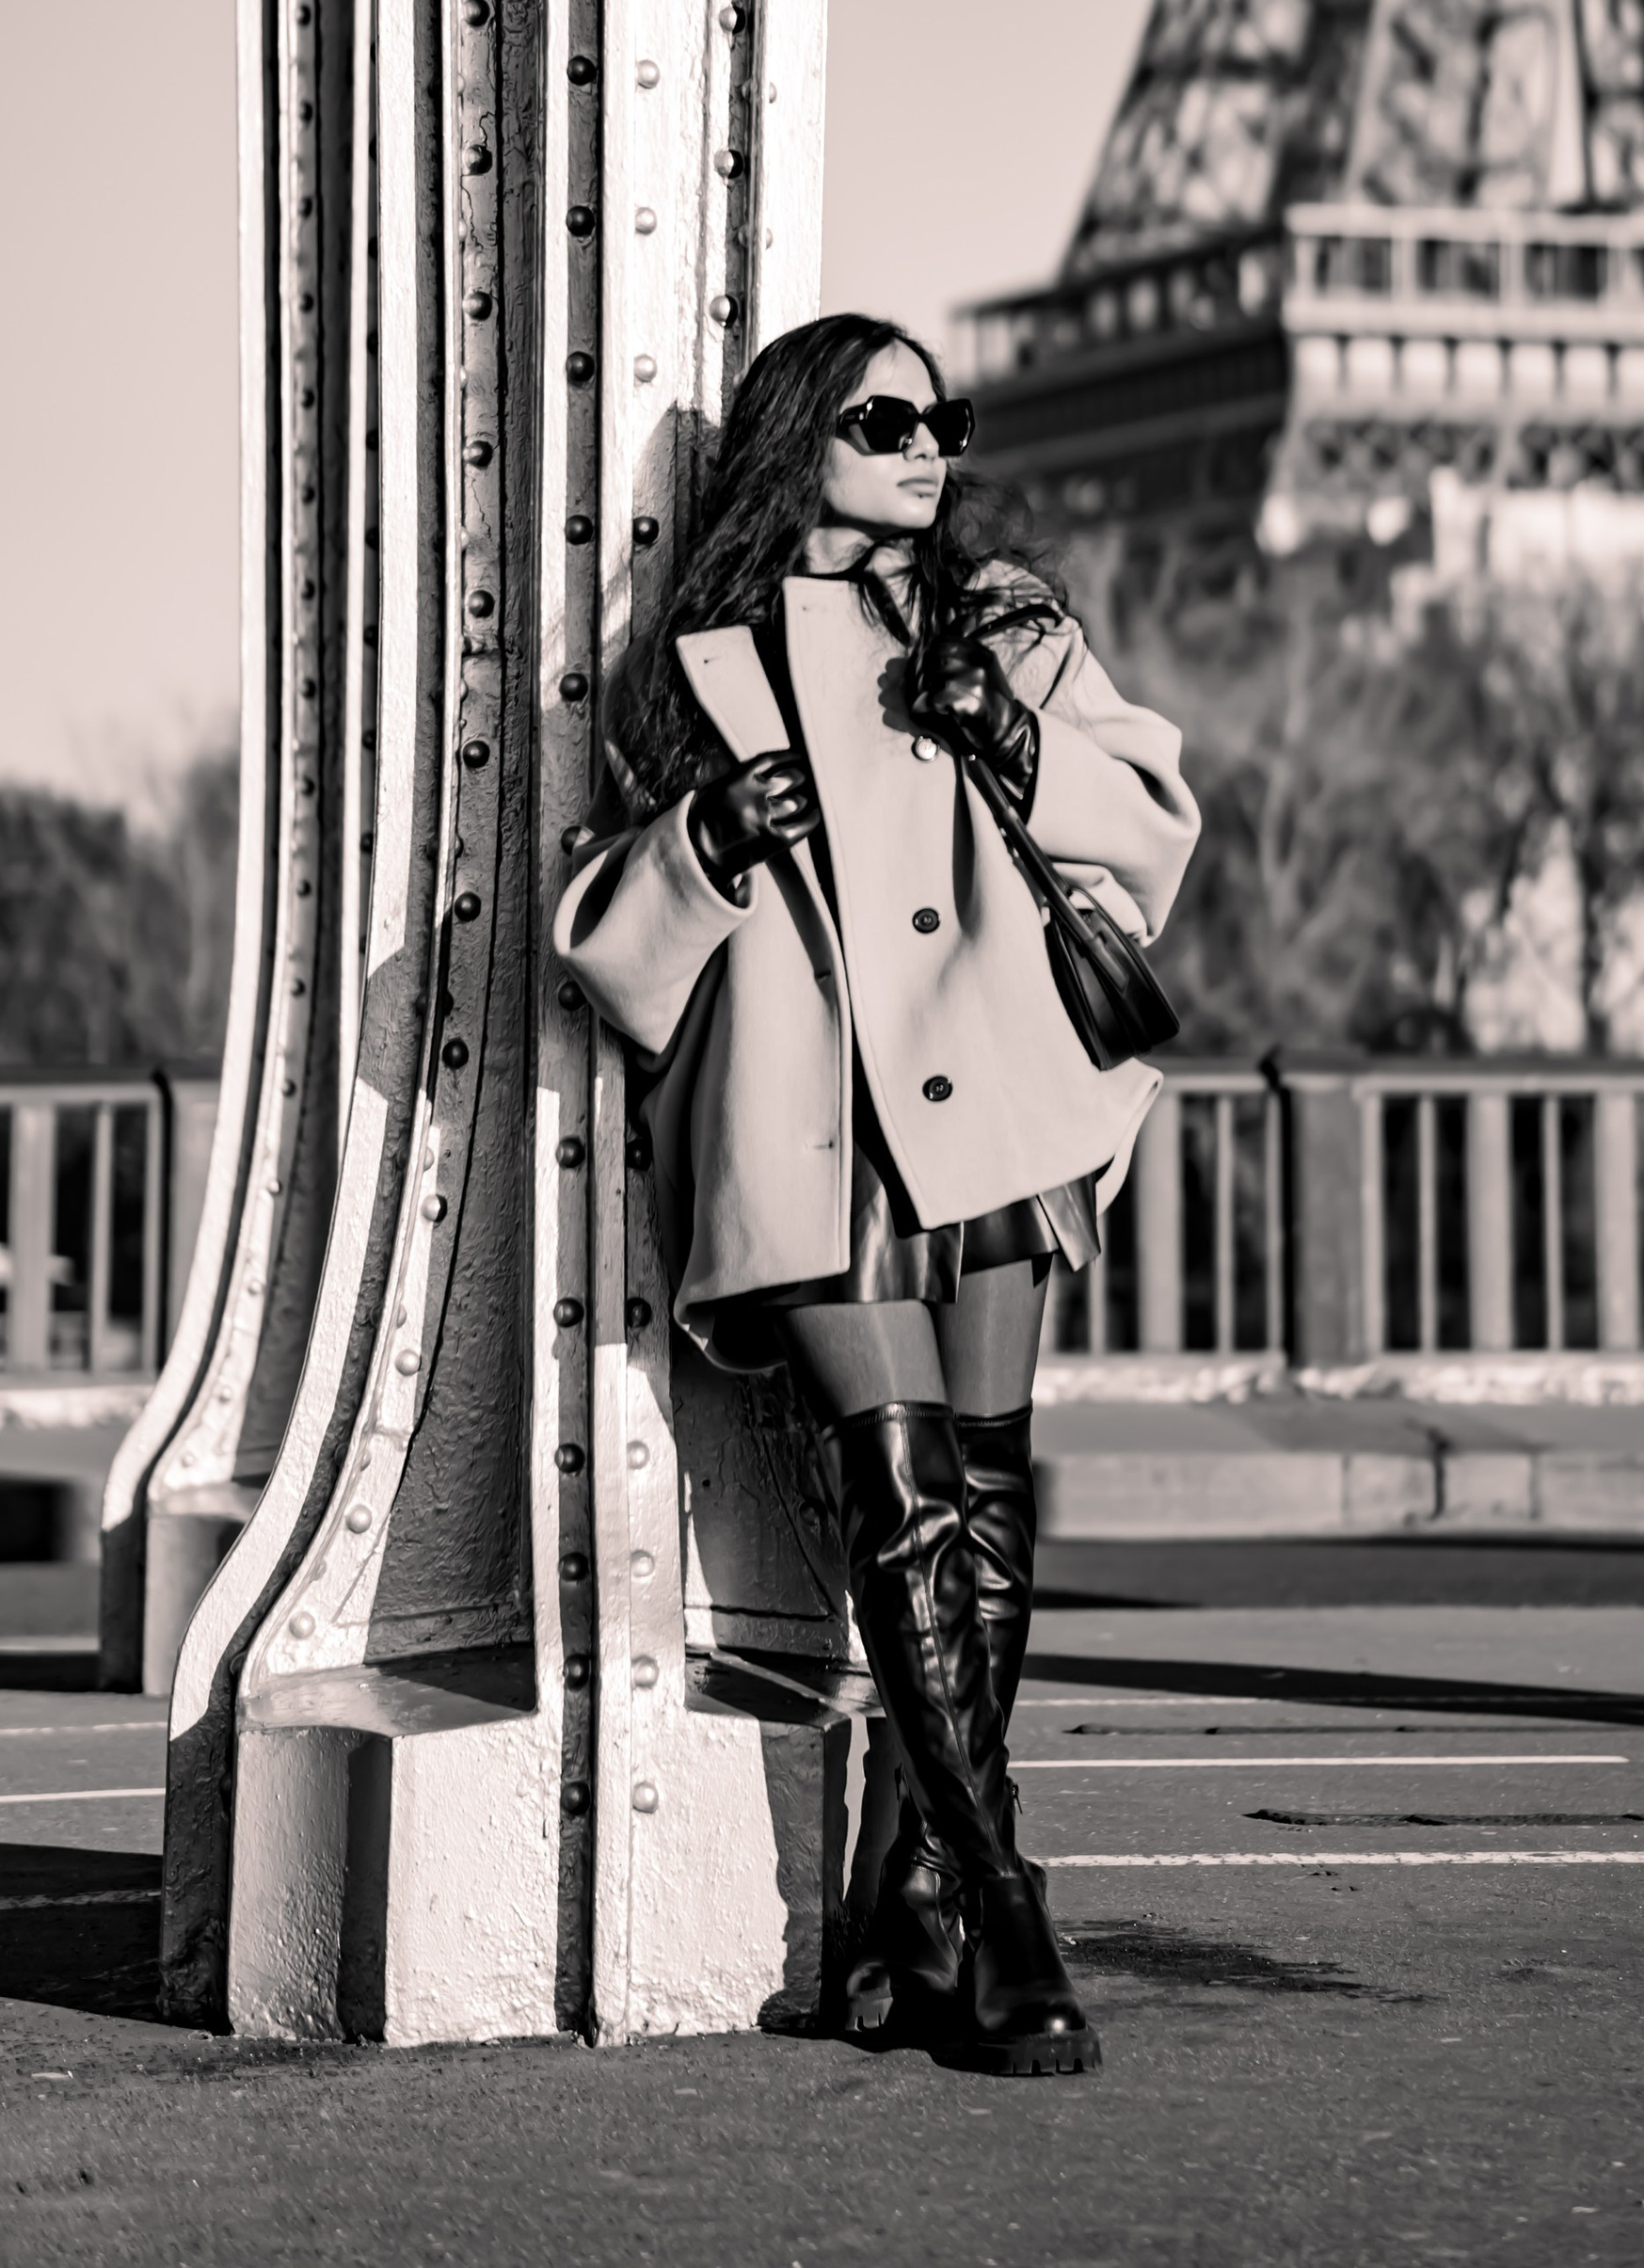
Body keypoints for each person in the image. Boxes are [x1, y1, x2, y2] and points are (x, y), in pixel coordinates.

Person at [554, 311, 1198, 2075]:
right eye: (886, 417)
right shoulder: (694, 671)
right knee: (904, 1499)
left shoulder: (1009, 632)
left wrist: (1018, 736)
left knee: (984, 1509)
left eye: (944, 416)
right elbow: (606, 953)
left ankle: (921, 1898)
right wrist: (704, 845)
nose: (930, 445)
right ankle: (1006, 1911)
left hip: (988, 1114)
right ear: (799, 444)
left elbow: (1153, 824)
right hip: (815, 1138)